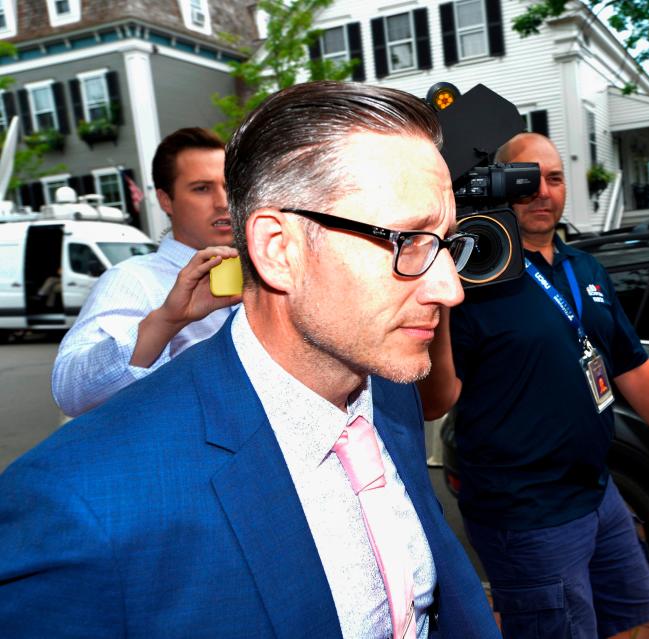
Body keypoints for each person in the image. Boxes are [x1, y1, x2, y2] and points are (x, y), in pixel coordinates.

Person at [0, 82, 499, 638]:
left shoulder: (391, 395)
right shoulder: (84, 507)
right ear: (277, 248)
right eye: (406, 240)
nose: (451, 290)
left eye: (445, 243)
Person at [418, 132, 649, 639]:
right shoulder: (472, 279)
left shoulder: (584, 267)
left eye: (554, 178)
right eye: (526, 179)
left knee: (628, 615)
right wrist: (439, 299)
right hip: (527, 510)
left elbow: (631, 365)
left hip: (597, 489)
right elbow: (435, 401)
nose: (542, 192)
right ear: (498, 185)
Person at [51, 127, 241, 417]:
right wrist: (166, 321)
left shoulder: (266, 268)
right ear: (166, 200)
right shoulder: (133, 280)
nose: (223, 202)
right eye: (201, 188)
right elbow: (70, 390)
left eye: (229, 186)